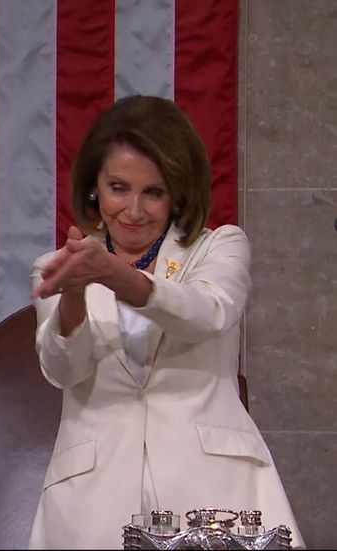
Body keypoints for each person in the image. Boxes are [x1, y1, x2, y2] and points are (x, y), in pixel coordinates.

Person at [26, 95, 303, 549]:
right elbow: (63, 370)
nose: (134, 210)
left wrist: (115, 276)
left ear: (177, 192)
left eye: (153, 192)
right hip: (92, 501)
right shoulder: (57, 266)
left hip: (215, 495)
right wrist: (75, 290)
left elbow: (207, 312)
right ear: (94, 186)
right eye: (119, 188)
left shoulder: (219, 248)